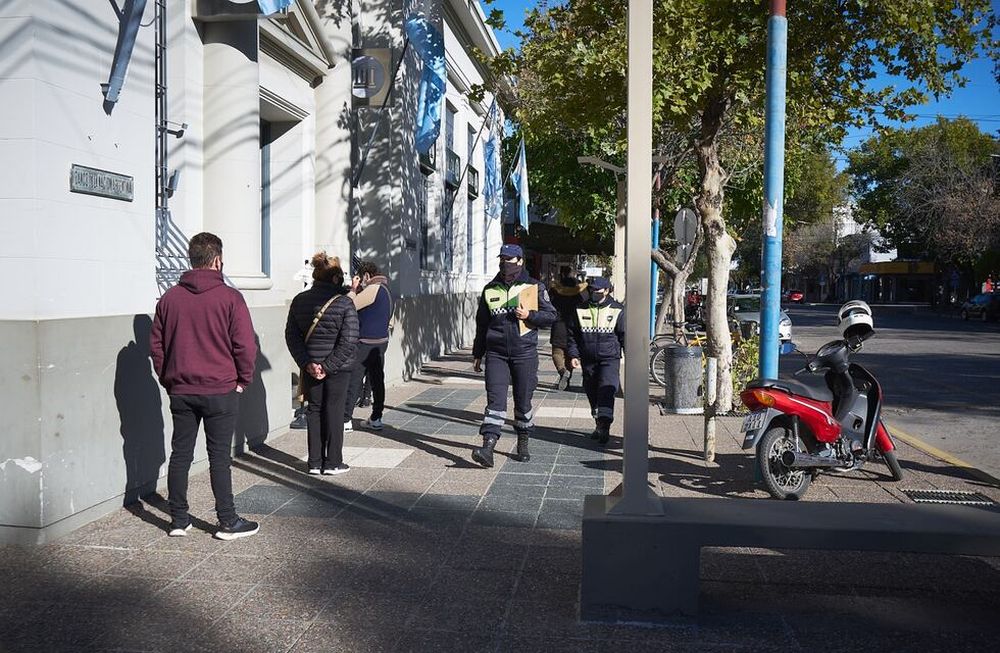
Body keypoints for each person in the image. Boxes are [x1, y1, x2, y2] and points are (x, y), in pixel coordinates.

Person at [150, 232, 259, 541]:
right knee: (218, 457)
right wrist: (243, 380)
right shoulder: (230, 298)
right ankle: (227, 522)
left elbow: (156, 346)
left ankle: (178, 520)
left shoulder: (169, 298)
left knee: (180, 454)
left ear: (191, 258)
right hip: (221, 389)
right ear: (217, 260)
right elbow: (245, 346)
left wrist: (168, 377)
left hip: (181, 389)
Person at [471, 244, 558, 467]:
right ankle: (488, 446)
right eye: (502, 258)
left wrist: (530, 315)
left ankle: (523, 439)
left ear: (520, 261)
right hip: (496, 353)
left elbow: (551, 316)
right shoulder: (490, 289)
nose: (504, 263)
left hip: (524, 353)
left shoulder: (534, 287)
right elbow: (482, 323)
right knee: (495, 401)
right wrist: (478, 353)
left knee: (523, 401)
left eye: (509, 259)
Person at [285, 253, 359, 475]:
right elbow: (349, 340)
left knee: (314, 410)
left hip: (311, 365)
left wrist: (308, 363)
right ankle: (333, 461)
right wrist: (327, 366)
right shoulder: (345, 303)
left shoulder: (299, 300)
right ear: (336, 278)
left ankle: (315, 462)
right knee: (334, 410)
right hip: (338, 368)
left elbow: (292, 335)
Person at [566, 277, 625, 445]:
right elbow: (572, 335)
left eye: (597, 291)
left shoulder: (618, 310)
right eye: (591, 290)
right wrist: (574, 355)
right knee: (591, 391)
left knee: (607, 390)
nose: (593, 293)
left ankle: (605, 425)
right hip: (587, 358)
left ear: (606, 291)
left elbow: (624, 335)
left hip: (610, 358)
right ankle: (598, 422)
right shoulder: (580, 309)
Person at [343, 261, 393, 432]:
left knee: (354, 380)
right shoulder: (387, 290)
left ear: (366, 276)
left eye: (362, 278)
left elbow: (350, 305)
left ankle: (345, 419)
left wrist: (353, 289)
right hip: (381, 342)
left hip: (365, 343)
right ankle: (376, 417)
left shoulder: (374, 288)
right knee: (377, 381)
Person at [549, 266, 588, 391]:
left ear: (561, 274)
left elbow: (550, 303)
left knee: (557, 351)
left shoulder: (556, 288)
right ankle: (568, 378)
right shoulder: (578, 288)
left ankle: (562, 371)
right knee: (570, 352)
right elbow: (584, 301)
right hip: (574, 323)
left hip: (558, 322)